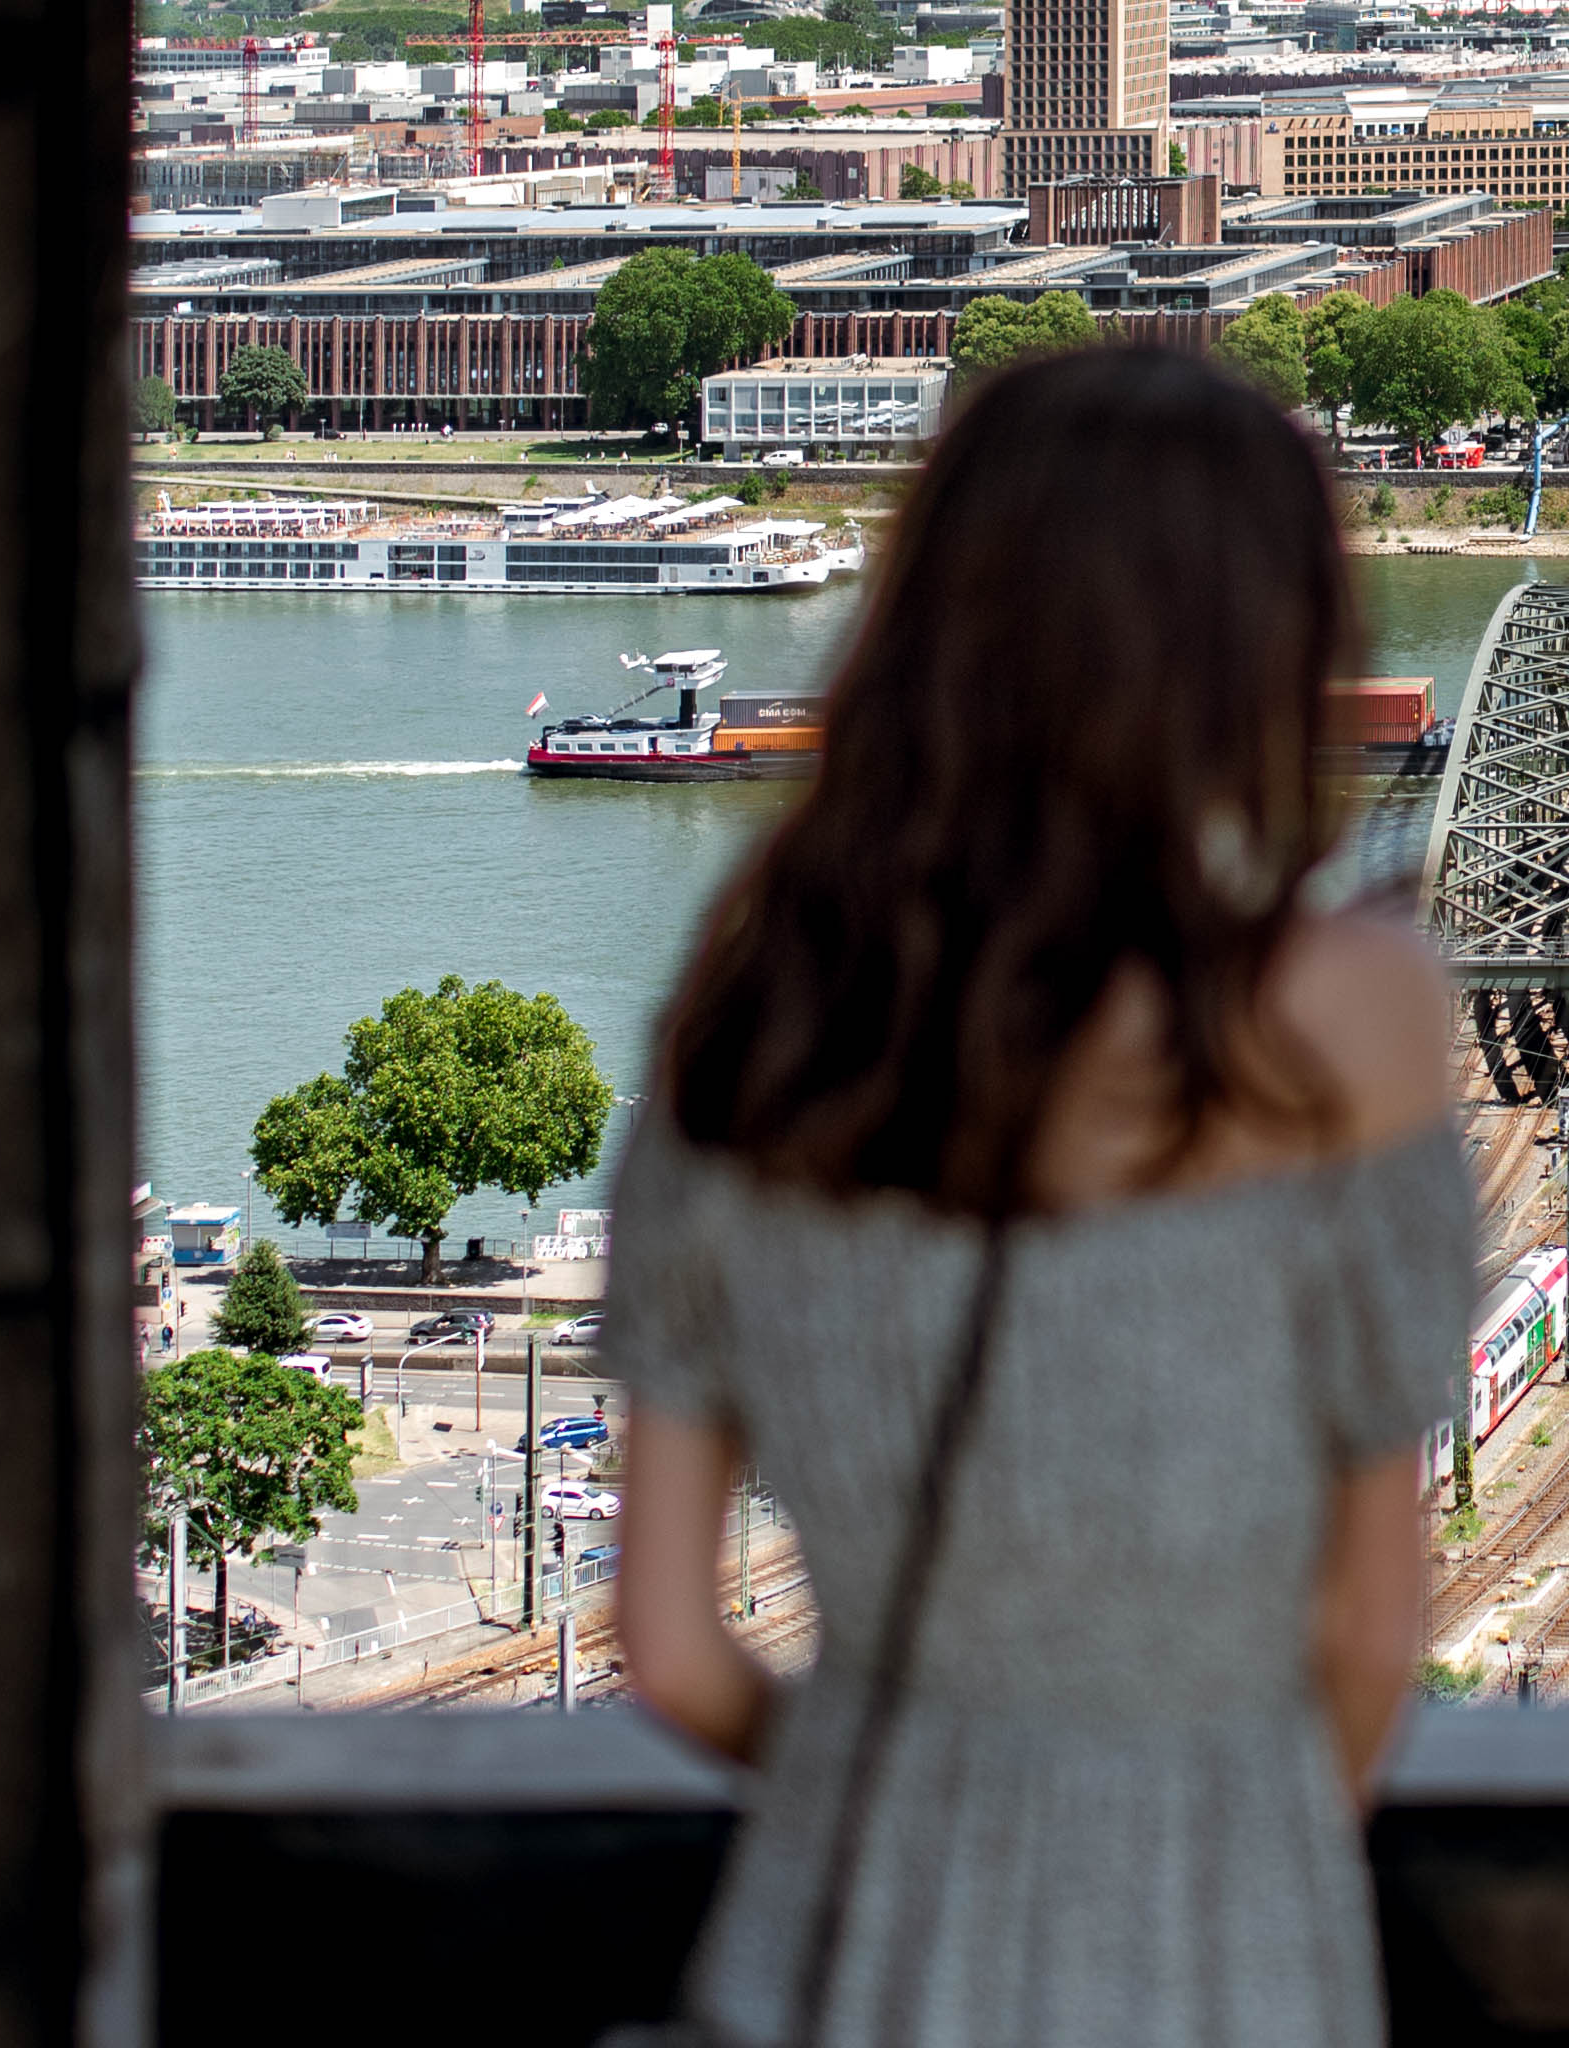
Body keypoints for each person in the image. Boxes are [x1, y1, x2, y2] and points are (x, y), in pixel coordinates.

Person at [608, 346, 1470, 2048]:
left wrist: (902, 1786)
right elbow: (1373, 1640)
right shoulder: (1358, 1022)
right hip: (1226, 1959)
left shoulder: (753, 1017)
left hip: (828, 1957)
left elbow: (672, 1645)